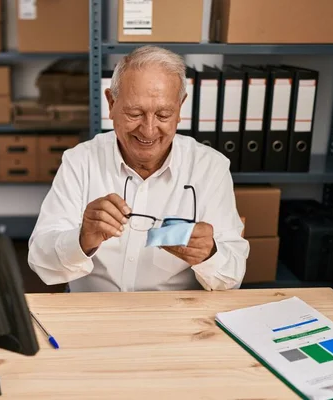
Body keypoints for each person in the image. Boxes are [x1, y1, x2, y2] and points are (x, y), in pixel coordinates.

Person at [28, 45, 249, 292]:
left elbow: (232, 277)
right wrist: (82, 240)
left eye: (164, 114)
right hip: (95, 310)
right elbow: (40, 261)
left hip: (173, 315)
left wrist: (209, 254)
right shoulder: (80, 161)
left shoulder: (210, 167)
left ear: (180, 108)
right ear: (111, 103)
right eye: (135, 113)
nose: (149, 129)